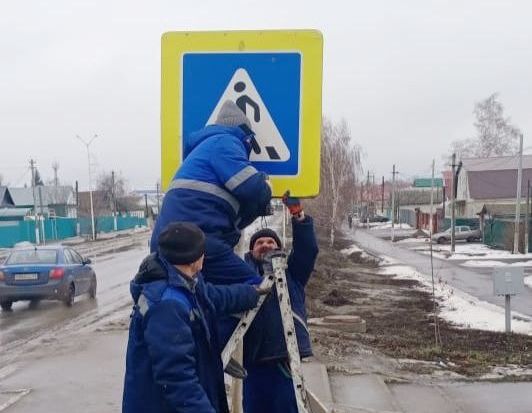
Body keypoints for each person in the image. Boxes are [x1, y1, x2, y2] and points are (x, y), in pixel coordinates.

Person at [122, 222, 266, 413]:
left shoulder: (184, 282)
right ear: (194, 258)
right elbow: (178, 380)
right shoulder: (167, 305)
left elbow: (214, 297)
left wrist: (251, 293)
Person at [150, 100, 272, 287]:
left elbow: (234, 219)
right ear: (244, 134)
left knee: (202, 300)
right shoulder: (225, 142)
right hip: (197, 240)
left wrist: (257, 208)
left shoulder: (202, 151)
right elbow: (252, 187)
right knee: (257, 286)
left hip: (175, 241)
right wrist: (266, 185)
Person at [242, 193, 319, 413]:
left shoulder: (292, 272)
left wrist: (298, 217)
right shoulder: (242, 274)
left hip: (284, 359)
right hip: (253, 362)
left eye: (270, 242)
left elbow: (308, 250)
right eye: (259, 243)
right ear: (251, 250)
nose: (265, 245)